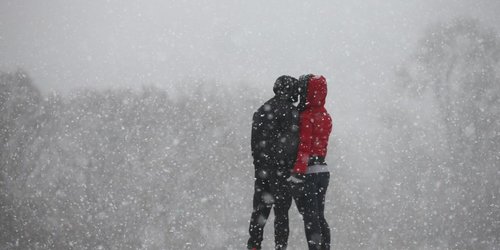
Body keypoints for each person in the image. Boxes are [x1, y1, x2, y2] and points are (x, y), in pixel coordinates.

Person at [247, 75, 300, 250]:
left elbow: (255, 142)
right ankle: (280, 246)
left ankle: (254, 245)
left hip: (263, 169)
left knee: (260, 211)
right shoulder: (291, 113)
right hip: (281, 170)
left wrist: (260, 164)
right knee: (282, 213)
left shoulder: (263, 109)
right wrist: (289, 167)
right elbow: (292, 143)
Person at [287, 74, 333, 250]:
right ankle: (325, 247)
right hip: (323, 171)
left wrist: (297, 173)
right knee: (319, 216)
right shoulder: (326, 116)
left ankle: (315, 247)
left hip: (309, 172)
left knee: (310, 218)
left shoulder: (306, 117)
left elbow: (304, 147)